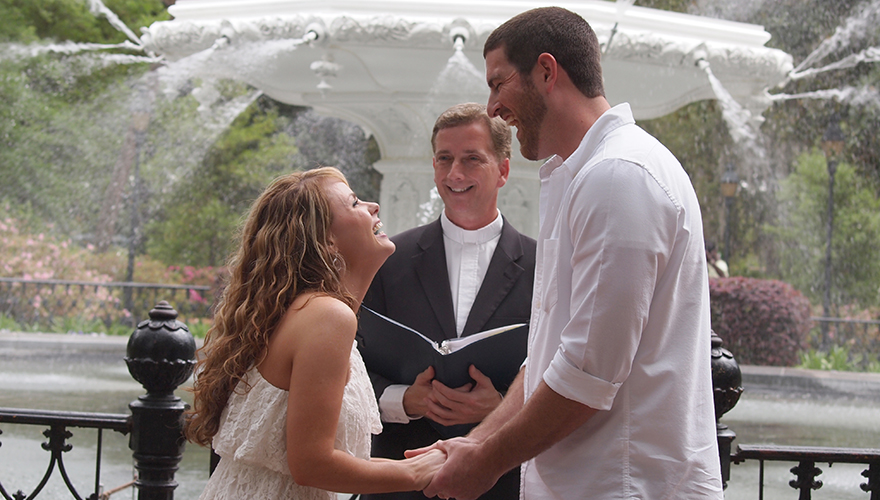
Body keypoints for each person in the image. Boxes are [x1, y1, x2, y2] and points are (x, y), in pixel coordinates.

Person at [410, 7, 724, 500]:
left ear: (546, 71)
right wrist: (474, 444)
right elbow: (551, 356)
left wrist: (485, 463)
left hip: (622, 487)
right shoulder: (587, 174)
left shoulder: (618, 176)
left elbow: (588, 372)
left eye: (498, 84)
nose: (493, 107)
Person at [185, 167, 445, 500]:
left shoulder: (308, 311)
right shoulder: (327, 316)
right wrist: (417, 472)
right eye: (354, 203)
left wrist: (428, 462)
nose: (373, 206)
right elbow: (311, 464)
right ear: (326, 241)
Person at [360, 103, 536, 500]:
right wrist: (403, 399)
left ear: (503, 170)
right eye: (444, 159)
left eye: (472, 159)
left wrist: (502, 405)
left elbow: (563, 372)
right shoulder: (386, 258)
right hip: (398, 480)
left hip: (501, 483)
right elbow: (348, 366)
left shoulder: (544, 266)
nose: (455, 174)